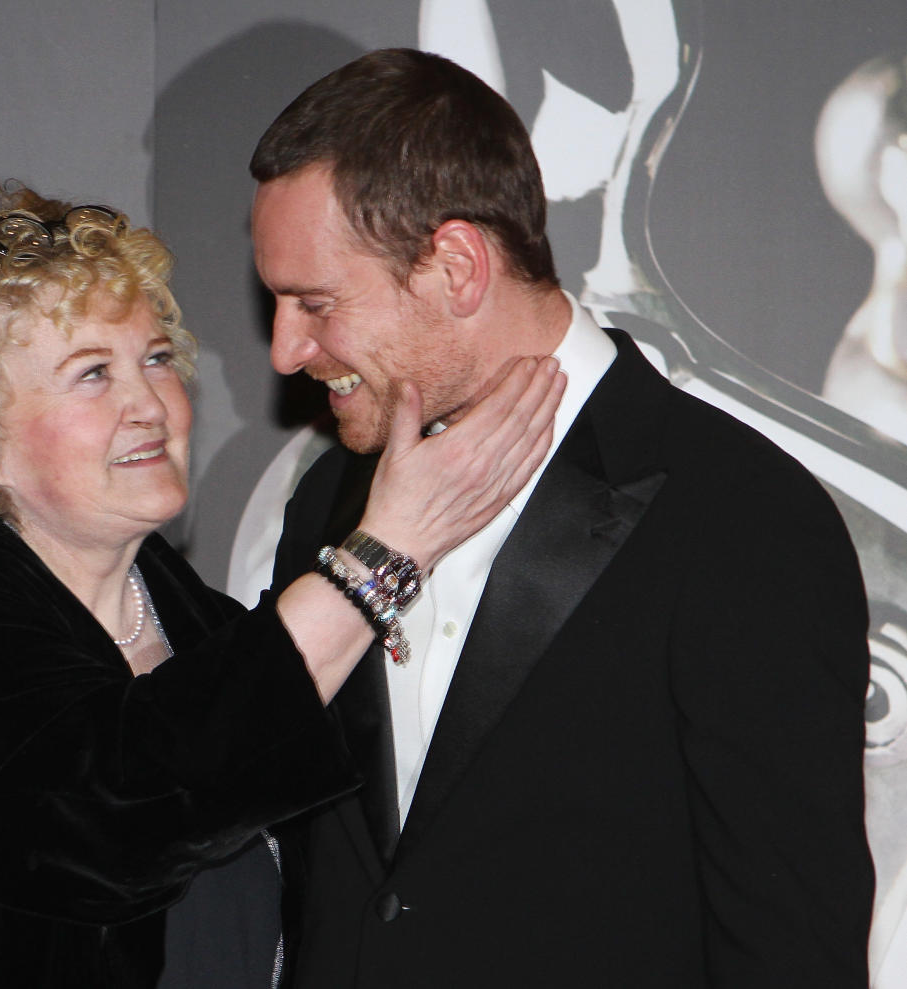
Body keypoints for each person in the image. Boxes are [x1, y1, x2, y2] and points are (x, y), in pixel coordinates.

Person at [0, 181, 563, 988]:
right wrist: (385, 552)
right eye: (92, 374)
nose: (150, 404)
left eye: (157, 359)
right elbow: (121, 813)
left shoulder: (208, 634)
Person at [249, 49, 874, 987]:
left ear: (456, 266)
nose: (288, 349)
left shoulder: (737, 518)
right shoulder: (327, 506)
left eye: (315, 303)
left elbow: (789, 945)